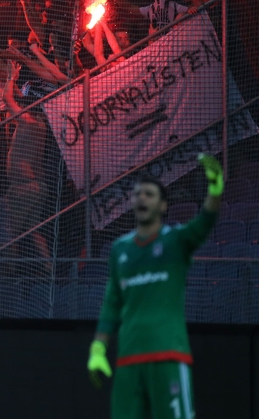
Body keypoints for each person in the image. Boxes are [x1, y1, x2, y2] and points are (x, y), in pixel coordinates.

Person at [87, 154, 224, 419]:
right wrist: (98, 348)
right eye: (137, 194)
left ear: (163, 205)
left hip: (168, 356)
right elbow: (111, 304)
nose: (141, 198)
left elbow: (205, 221)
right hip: (129, 359)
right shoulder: (120, 249)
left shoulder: (176, 241)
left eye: (149, 194)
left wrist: (215, 189)